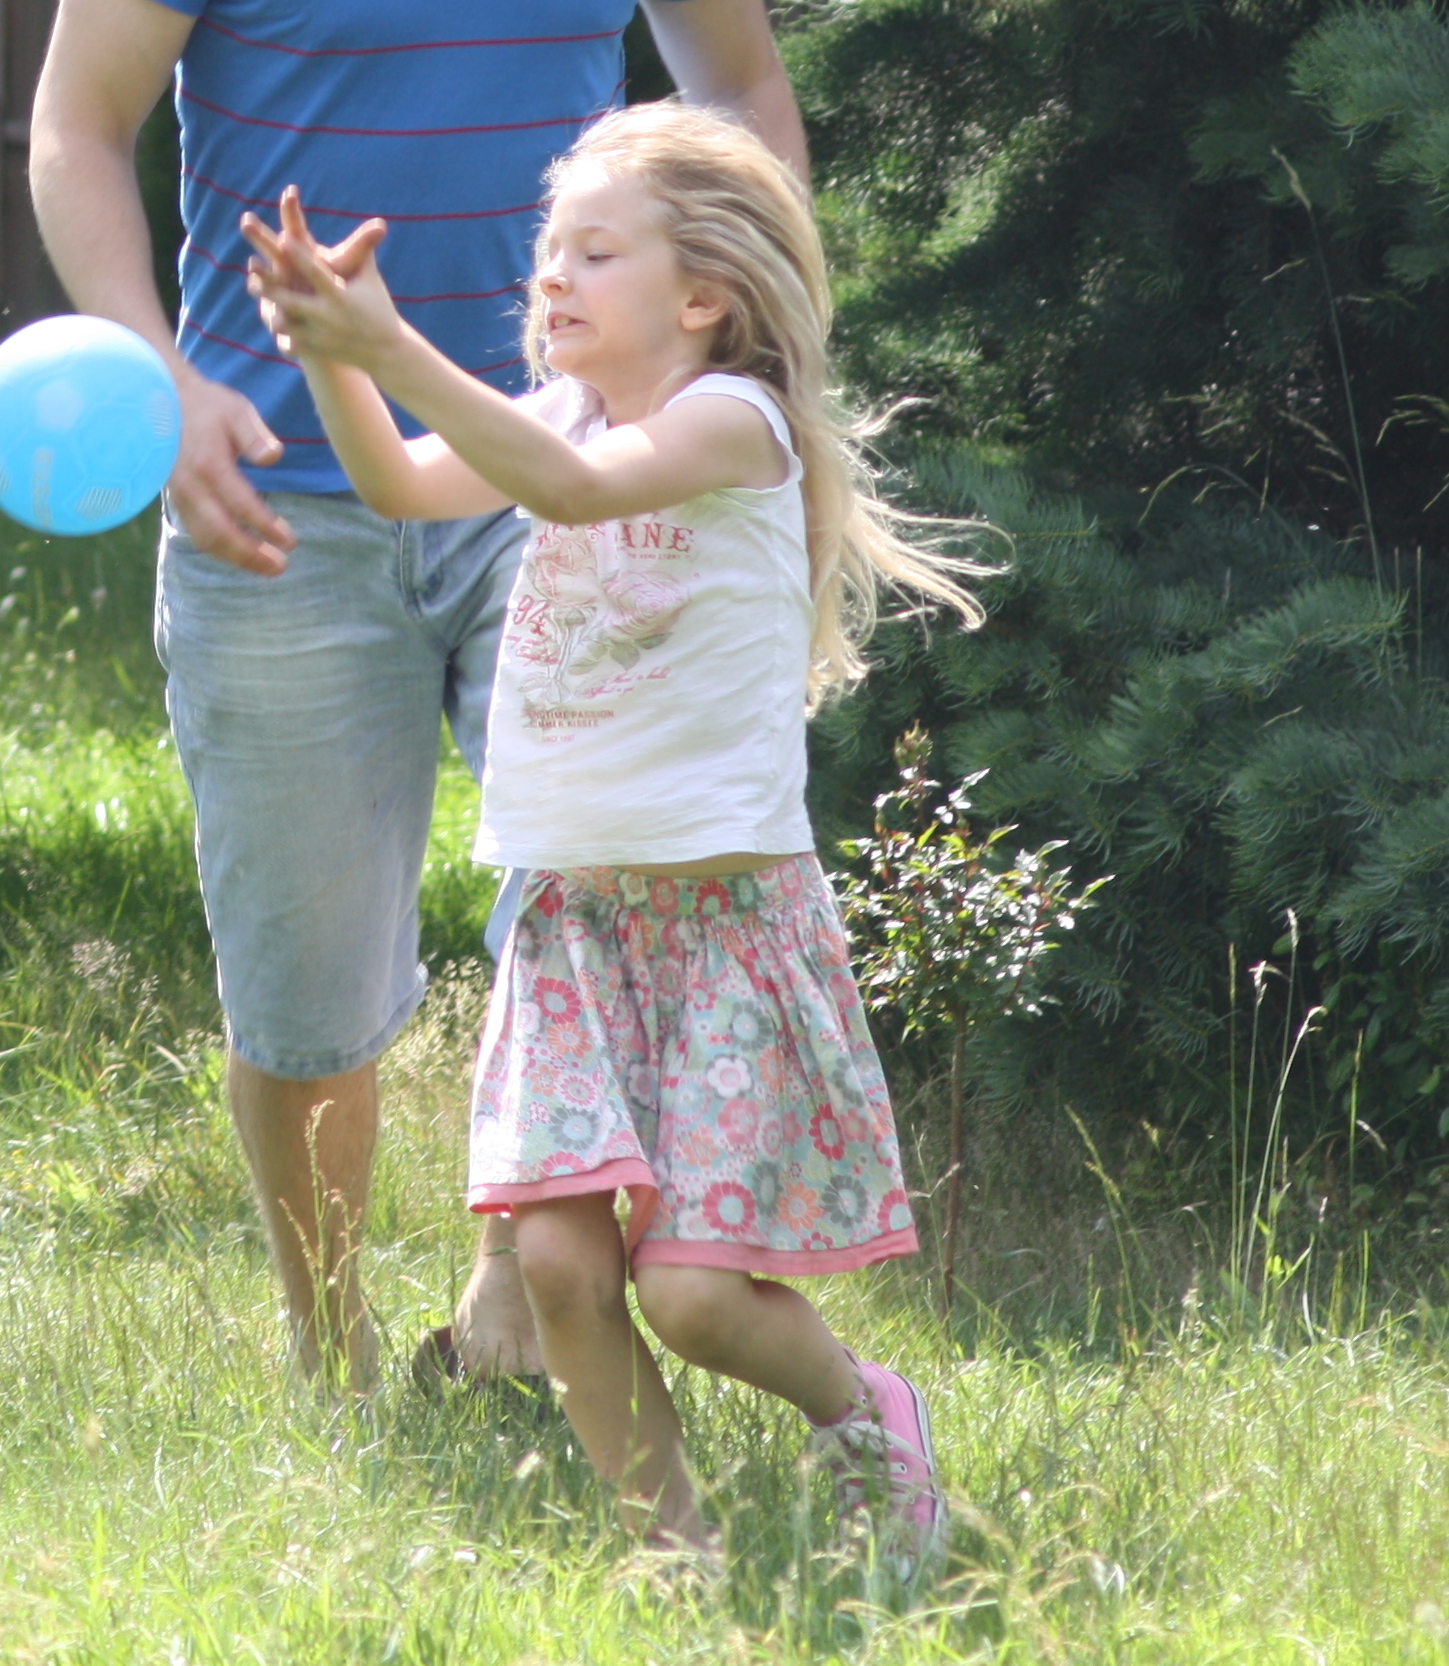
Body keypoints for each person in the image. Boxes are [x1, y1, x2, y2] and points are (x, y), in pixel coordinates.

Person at [26, 0, 804, 1391]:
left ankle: (501, 1319)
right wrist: (161, 382)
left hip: (569, 494)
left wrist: (737, 375)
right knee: (307, 1004)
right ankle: (331, 1353)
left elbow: (739, 102)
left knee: (611, 926)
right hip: (281, 504)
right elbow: (77, 127)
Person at [238, 101, 982, 1560]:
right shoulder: (566, 417)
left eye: (595, 251)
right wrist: (333, 352)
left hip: (721, 934)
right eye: (549, 249)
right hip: (574, 925)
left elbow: (569, 492)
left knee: (695, 1298)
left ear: (701, 296)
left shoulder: (732, 421)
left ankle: (863, 1411)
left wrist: (389, 343)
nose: (550, 276)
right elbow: (397, 484)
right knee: (563, 1269)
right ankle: (676, 1560)